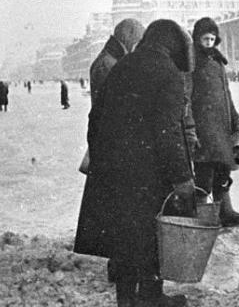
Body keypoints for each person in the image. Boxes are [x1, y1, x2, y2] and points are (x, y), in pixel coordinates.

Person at [74, 19, 196, 307]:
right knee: (152, 235)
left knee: (125, 239)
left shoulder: (123, 67)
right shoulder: (167, 73)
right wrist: (181, 177)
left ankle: (127, 299)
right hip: (148, 174)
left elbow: (94, 119)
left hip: (115, 171)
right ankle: (152, 297)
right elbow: (168, 131)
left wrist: (104, 158)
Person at [87, 18, 145, 283]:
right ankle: (119, 266)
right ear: (129, 38)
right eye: (137, 40)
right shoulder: (110, 64)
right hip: (113, 143)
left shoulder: (109, 58)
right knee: (118, 206)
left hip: (109, 140)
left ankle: (119, 263)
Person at [190, 17, 239, 226]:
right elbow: (187, 95)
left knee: (223, 168)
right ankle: (201, 215)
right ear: (197, 38)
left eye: (212, 39)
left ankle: (225, 210)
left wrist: (234, 117)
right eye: (205, 38)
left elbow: (226, 93)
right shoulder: (192, 62)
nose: (209, 43)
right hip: (203, 126)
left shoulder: (217, 60)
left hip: (222, 125)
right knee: (205, 171)